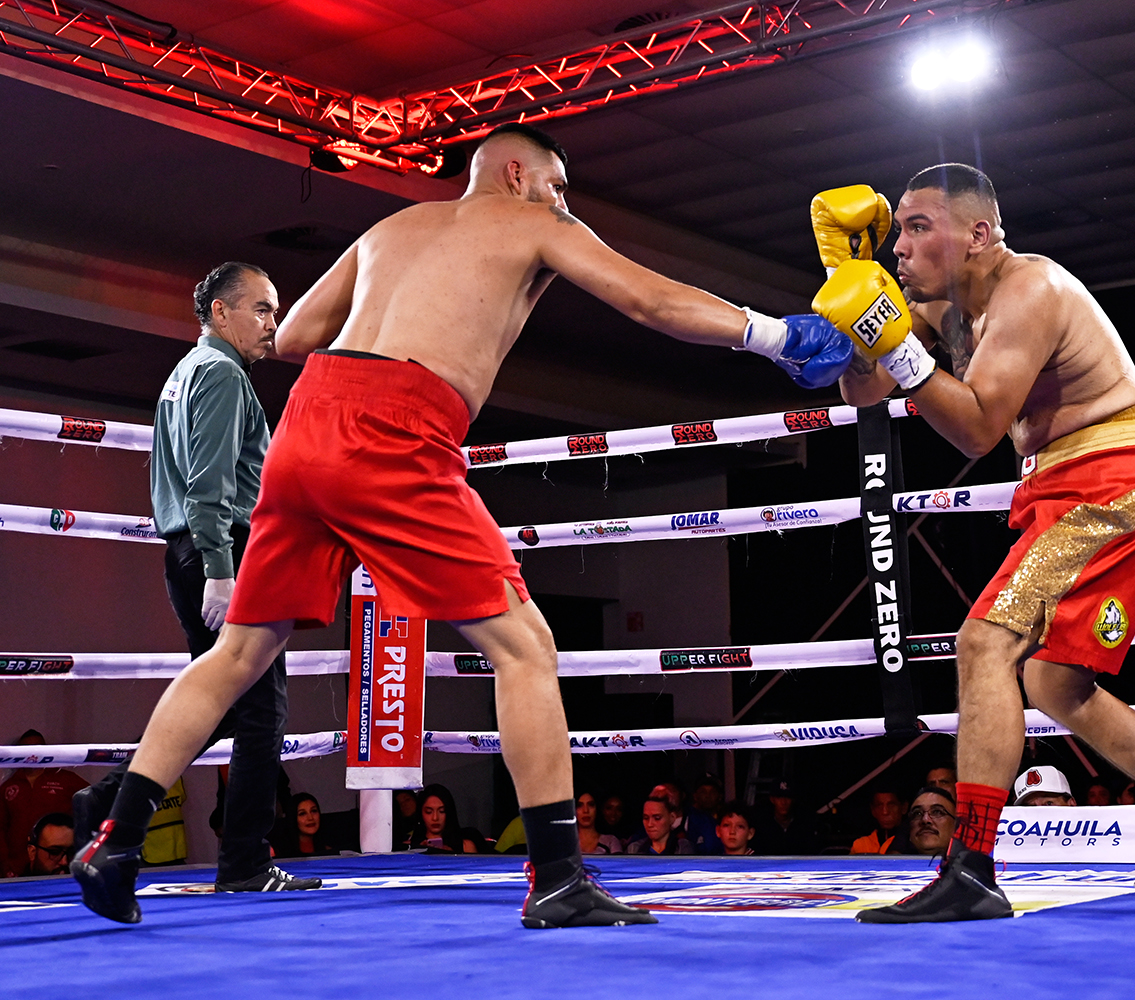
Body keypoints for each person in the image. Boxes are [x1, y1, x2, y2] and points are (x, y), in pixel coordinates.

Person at [69, 122, 849, 928]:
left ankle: (116, 843)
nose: (563, 200)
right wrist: (777, 336)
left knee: (241, 650)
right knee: (525, 648)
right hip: (396, 429)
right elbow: (649, 300)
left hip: (306, 424)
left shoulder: (390, 227)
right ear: (516, 173)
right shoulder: (537, 222)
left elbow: (295, 336)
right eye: (556, 183)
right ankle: (557, 879)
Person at [817, 168, 1135, 923]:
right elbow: (859, 394)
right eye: (898, 231)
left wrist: (896, 338)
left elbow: (978, 427)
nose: (900, 244)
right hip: (1066, 480)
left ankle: (975, 867)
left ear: (979, 234)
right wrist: (857, 306)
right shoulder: (940, 306)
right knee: (1058, 686)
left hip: (1116, 474)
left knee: (984, 643)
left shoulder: (1033, 290)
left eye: (919, 226)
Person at [72, 263, 319, 895]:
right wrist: (220, 569)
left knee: (222, 703)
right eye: (261, 309)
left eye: (275, 309)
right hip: (225, 551)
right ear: (219, 313)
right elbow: (206, 487)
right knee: (263, 714)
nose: (274, 324)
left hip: (191, 550)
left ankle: (105, 802)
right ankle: (245, 862)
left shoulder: (182, 375)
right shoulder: (221, 375)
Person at [0, 730, 87, 878]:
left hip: (58, 861)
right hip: (17, 865)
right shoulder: (8, 787)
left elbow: (94, 805)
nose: (32, 755)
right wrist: (4, 861)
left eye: (37, 748)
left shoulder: (66, 779)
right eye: (26, 749)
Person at [752, 779, 819, 855]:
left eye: (787, 797)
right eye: (779, 797)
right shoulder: (761, 825)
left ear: (793, 799)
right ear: (772, 799)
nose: (783, 802)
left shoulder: (804, 824)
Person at [406, 785, 464, 853]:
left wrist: (452, 856)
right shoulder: (408, 848)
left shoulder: (465, 846)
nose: (435, 818)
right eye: (429, 812)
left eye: (442, 811)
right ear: (420, 813)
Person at [627, 797, 692, 856]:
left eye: (657, 818)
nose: (650, 824)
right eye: (646, 818)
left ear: (672, 818)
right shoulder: (634, 849)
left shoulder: (682, 847)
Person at [279, 793, 338, 858]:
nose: (310, 818)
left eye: (313, 811)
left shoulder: (329, 852)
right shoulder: (277, 853)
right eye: (302, 813)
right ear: (293, 818)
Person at [851, 788, 906, 854]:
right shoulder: (860, 845)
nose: (885, 812)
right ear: (873, 810)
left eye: (891, 805)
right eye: (879, 805)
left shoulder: (912, 842)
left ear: (904, 807)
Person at [906, 788, 958, 856]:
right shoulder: (894, 865)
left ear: (956, 825)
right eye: (917, 813)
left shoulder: (973, 865)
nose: (925, 820)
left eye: (937, 812)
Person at [684, 774, 724, 854]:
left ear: (720, 796)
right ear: (695, 796)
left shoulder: (726, 817)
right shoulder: (687, 817)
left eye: (712, 792)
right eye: (703, 792)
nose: (708, 796)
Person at [577, 791, 623, 855]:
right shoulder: (565, 842)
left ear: (597, 808)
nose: (585, 810)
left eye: (591, 805)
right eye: (579, 805)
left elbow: (618, 864)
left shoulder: (610, 841)